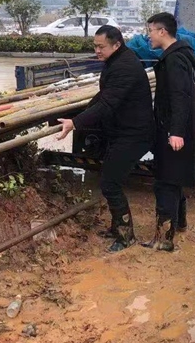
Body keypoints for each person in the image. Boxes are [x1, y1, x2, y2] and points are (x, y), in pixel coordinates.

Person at [56, 25, 154, 253]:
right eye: (95, 46)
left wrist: (76, 122)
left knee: (110, 183)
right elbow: (103, 96)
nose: (97, 51)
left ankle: (126, 236)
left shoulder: (125, 66)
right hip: (122, 131)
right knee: (109, 178)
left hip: (134, 134)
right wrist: (78, 115)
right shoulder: (116, 61)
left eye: (101, 47)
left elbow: (108, 103)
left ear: (116, 44)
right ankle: (116, 227)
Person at [142, 12, 195, 252]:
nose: (148, 36)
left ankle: (163, 240)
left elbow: (180, 96)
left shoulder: (175, 60)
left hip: (173, 130)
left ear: (162, 31)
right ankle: (180, 224)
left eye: (151, 31)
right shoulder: (179, 55)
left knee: (165, 181)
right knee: (175, 177)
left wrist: (175, 131)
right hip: (176, 128)